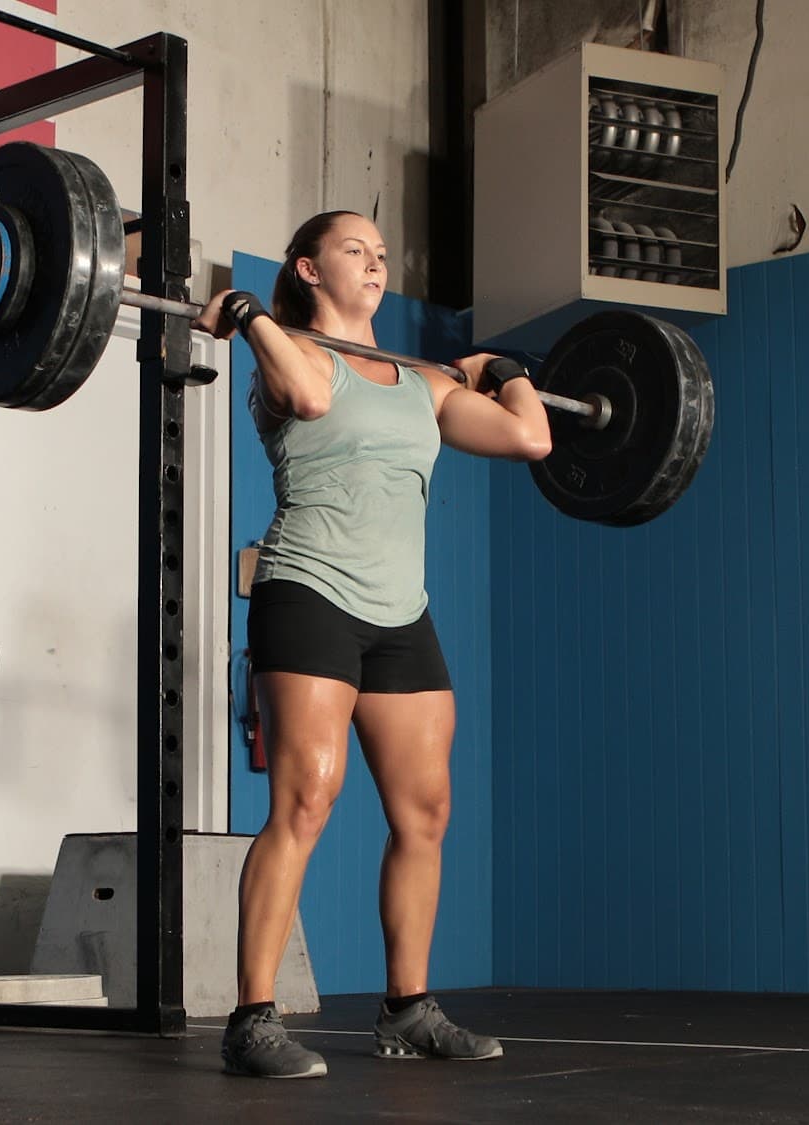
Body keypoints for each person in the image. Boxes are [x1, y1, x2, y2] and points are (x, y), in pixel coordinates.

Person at [193, 211, 552, 1079]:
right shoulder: (294, 357)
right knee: (307, 800)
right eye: (356, 250)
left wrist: (500, 369)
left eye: (384, 253)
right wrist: (245, 313)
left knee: (424, 813)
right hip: (308, 591)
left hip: (401, 612)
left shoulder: (418, 382)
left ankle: (408, 1008)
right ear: (309, 270)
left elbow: (529, 435)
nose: (376, 263)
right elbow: (311, 397)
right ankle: (252, 1017)